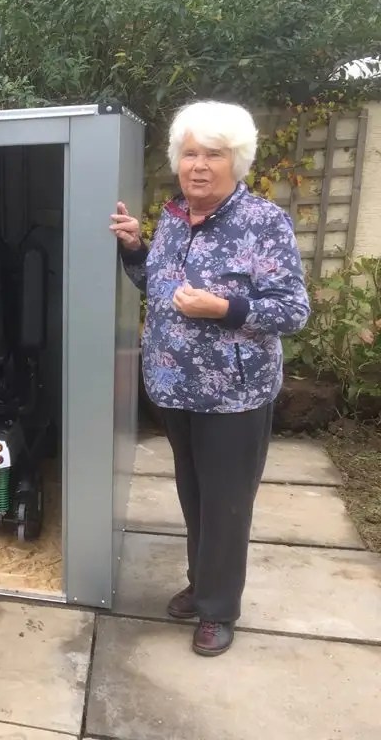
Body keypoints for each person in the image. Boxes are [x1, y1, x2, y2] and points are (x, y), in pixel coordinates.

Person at [110, 100, 310, 656]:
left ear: (237, 161)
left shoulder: (263, 223)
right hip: (175, 388)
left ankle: (219, 609)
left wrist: (222, 308)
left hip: (234, 395)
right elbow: (159, 286)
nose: (199, 165)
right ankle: (203, 583)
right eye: (190, 152)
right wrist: (134, 250)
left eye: (213, 154)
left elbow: (293, 309)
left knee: (226, 501)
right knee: (194, 494)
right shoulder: (174, 217)